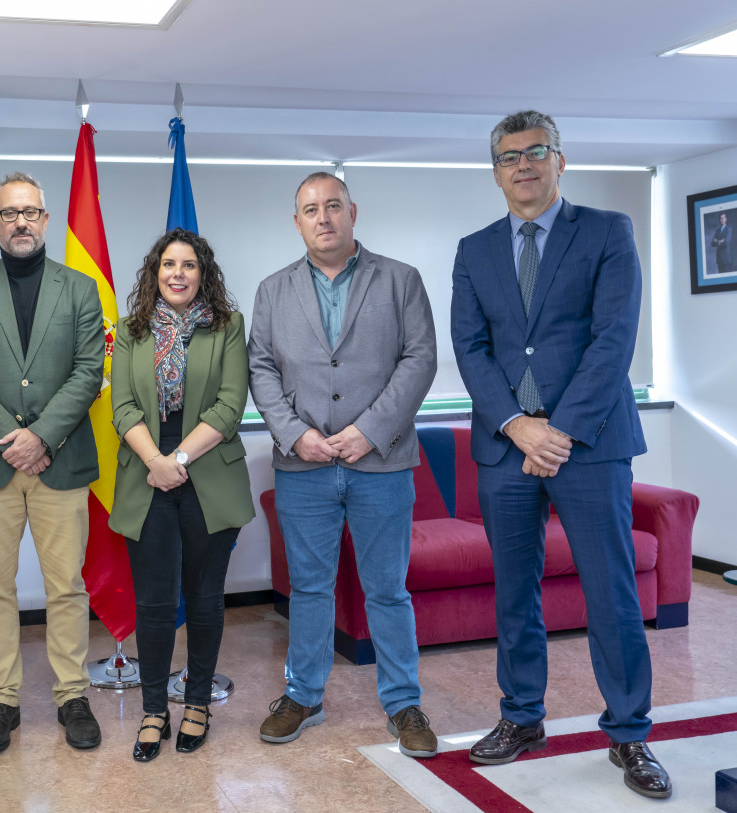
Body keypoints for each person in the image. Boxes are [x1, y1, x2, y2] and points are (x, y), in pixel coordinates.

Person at [450, 110, 670, 799]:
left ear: (559, 160)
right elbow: (472, 347)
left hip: (591, 444)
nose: (523, 165)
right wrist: (518, 425)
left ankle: (629, 733)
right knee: (515, 592)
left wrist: (560, 431)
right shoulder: (475, 248)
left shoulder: (606, 232)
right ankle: (522, 718)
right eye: (509, 156)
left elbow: (614, 339)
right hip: (506, 447)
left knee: (611, 591)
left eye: (535, 152)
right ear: (495, 171)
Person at [248, 172, 439, 756]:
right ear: (297, 221)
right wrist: (295, 434)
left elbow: (420, 358)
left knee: (388, 589)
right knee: (309, 589)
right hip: (303, 466)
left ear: (353, 212)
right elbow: (261, 369)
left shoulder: (401, 280)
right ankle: (303, 695)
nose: (323, 217)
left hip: (380, 464)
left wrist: (369, 431)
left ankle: (404, 703)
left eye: (333, 206)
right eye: (311, 209)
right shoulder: (273, 290)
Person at [0, 172, 106, 755]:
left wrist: (40, 437)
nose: (21, 222)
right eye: (9, 213)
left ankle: (72, 696)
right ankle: (2, 701)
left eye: (31, 212)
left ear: (45, 220)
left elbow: (89, 371)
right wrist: (11, 440)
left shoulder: (81, 288)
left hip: (60, 461)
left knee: (67, 586)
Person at [109, 228, 254, 762]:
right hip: (146, 480)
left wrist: (179, 462)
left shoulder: (229, 327)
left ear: (203, 272)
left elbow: (229, 405)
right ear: (155, 273)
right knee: (152, 603)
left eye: (188, 265)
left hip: (208, 475)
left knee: (206, 599)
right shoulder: (132, 330)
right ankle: (153, 711)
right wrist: (156, 463)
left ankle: (197, 704)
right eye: (168, 264)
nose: (177, 273)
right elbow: (122, 405)